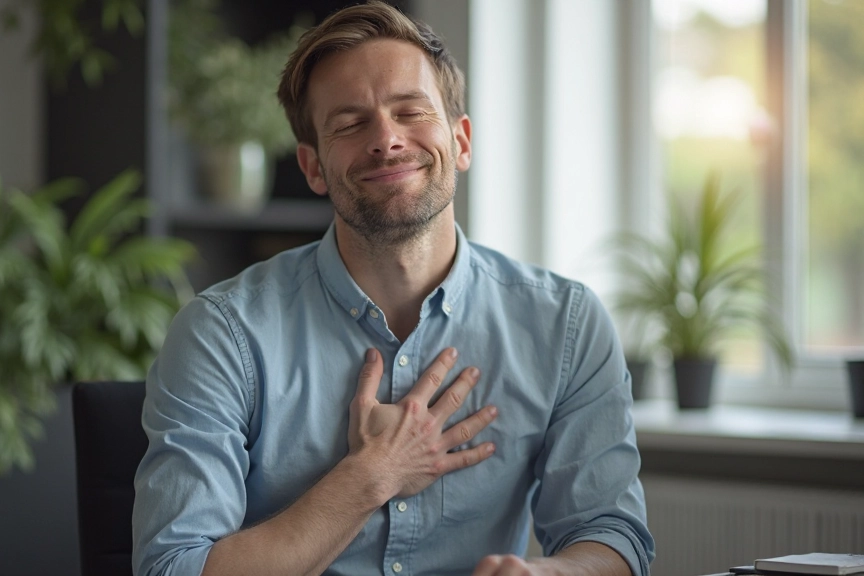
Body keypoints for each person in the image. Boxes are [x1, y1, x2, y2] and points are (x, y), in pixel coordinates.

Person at [132, 2, 655, 575]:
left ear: (461, 142)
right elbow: (172, 569)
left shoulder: (566, 324)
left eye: (411, 111)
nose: (386, 139)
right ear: (312, 167)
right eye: (350, 123)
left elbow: (612, 536)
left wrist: (546, 575)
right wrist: (369, 476)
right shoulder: (221, 333)